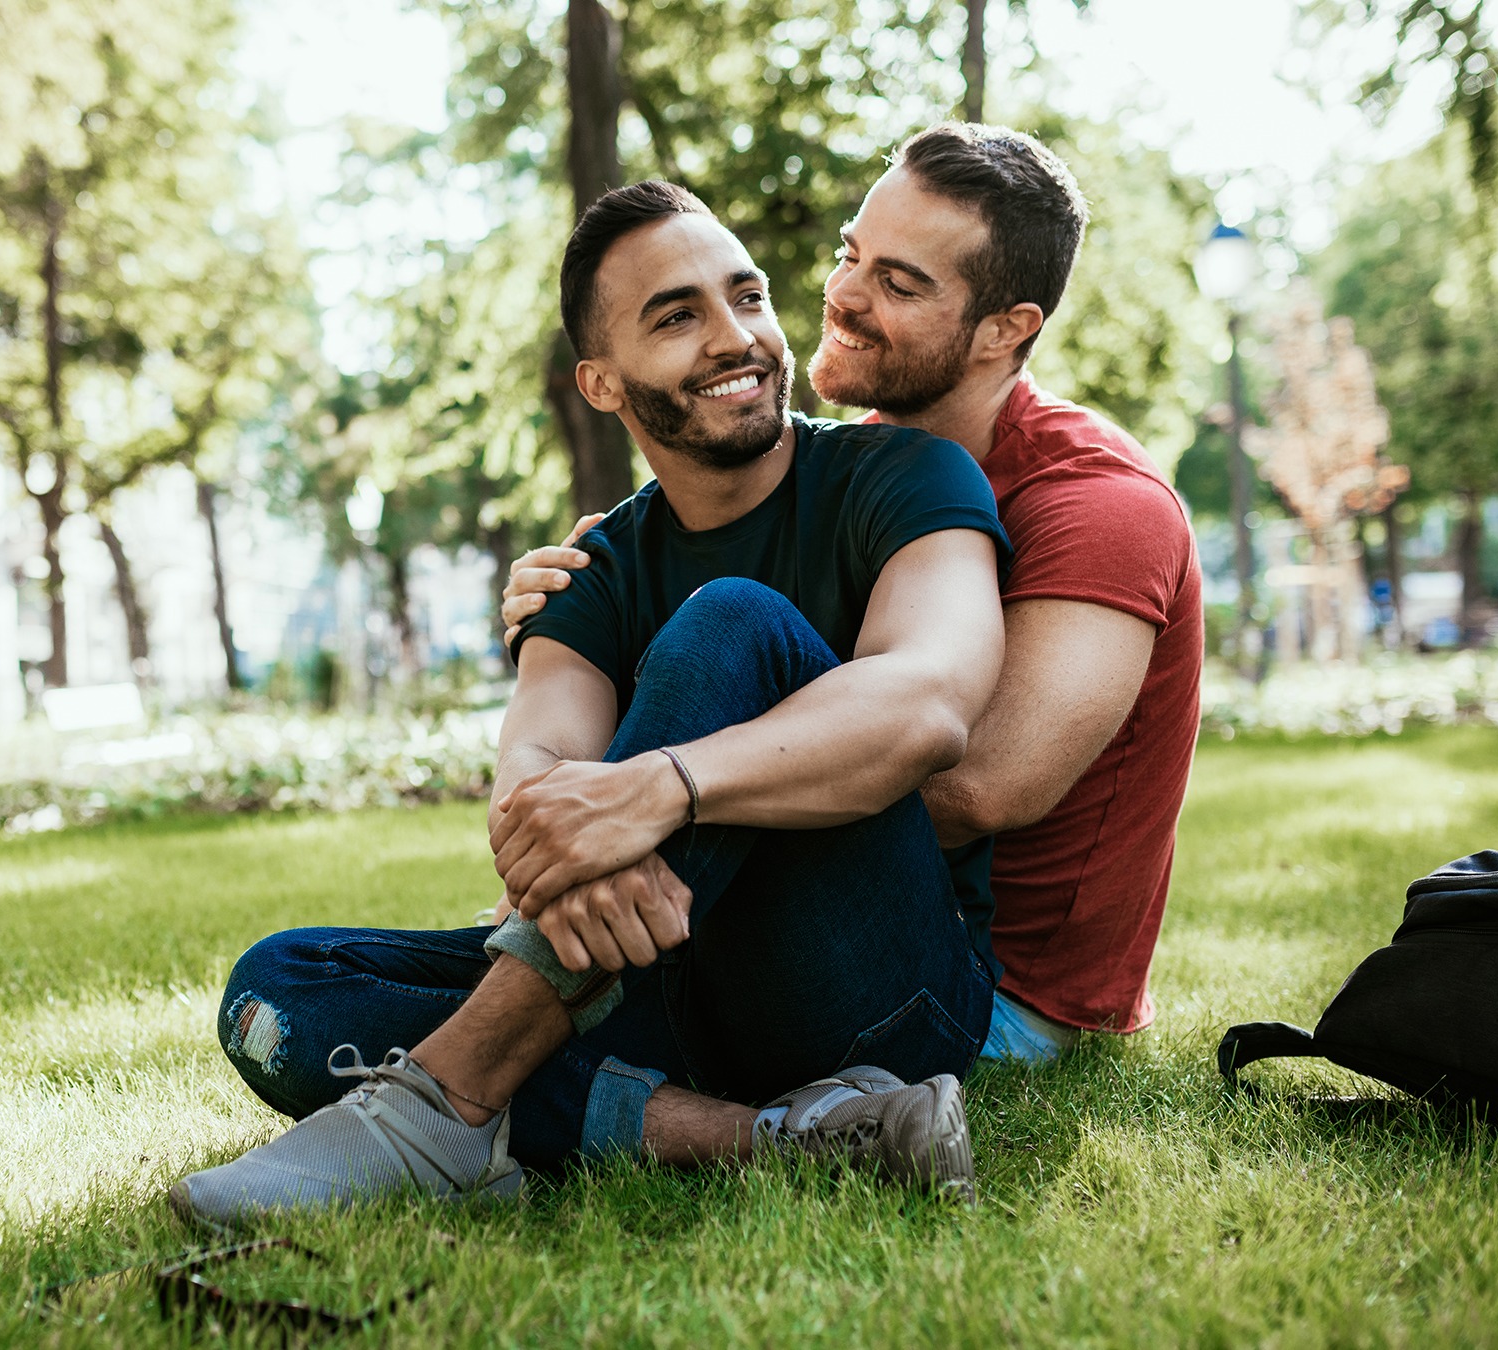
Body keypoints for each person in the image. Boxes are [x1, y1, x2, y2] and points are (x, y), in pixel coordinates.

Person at [170, 179, 1015, 1226]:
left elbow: (929, 699)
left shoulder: (903, 476)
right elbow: (533, 794)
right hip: (654, 978)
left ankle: (451, 1103)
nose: (735, 337)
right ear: (603, 383)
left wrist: (663, 788)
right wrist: (576, 822)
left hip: (880, 990)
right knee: (281, 992)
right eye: (678, 317)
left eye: (746, 298)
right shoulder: (598, 565)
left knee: (731, 623)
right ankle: (782, 1140)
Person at [503, 123, 1203, 1063]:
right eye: (850, 253)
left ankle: (493, 1063)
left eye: (899, 283)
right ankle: (515, 1054)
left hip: (993, 994)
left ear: (1006, 330)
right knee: (296, 984)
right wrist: (599, 619)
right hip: (749, 924)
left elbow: (973, 783)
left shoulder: (1099, 506)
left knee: (734, 630)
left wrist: (636, 802)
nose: (842, 294)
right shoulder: (855, 472)